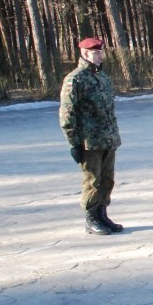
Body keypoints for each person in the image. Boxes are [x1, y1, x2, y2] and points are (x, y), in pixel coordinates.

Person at [59, 37, 123, 236]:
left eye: (101, 52)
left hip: (108, 138)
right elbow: (67, 113)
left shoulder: (102, 76)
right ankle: (91, 218)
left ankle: (102, 214)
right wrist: (74, 142)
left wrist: (113, 135)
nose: (100, 56)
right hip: (89, 141)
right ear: (85, 54)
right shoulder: (75, 79)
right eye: (96, 53)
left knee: (107, 179)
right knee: (92, 180)